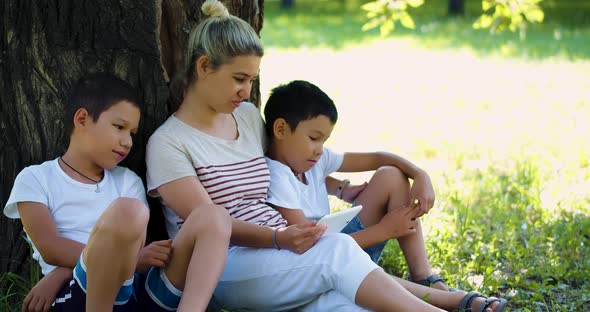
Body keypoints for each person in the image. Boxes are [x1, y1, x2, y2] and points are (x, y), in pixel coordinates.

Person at [145, 1, 508, 311]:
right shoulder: (169, 143)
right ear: (204, 67)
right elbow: (209, 224)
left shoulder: (245, 116)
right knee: (335, 252)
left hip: (284, 252)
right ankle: (446, 303)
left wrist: (335, 187)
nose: (247, 91)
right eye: (239, 79)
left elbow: (285, 162)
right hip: (225, 266)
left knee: (342, 300)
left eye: (252, 80)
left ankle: (454, 300)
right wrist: (278, 238)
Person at [3, 73, 231, 312]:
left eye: (132, 133)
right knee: (128, 210)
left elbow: (132, 250)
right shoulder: (36, 178)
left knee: (213, 215)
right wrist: (132, 260)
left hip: (133, 289)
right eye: (119, 127)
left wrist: (131, 261)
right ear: (82, 119)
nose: (128, 142)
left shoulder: (127, 181)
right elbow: (50, 248)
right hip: (80, 293)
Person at [263, 79, 450, 289]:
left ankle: (423, 276)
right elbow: (313, 248)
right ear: (280, 129)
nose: (320, 149)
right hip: (321, 263)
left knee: (391, 176)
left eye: (324, 141)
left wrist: (419, 174)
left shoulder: (314, 161)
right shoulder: (276, 177)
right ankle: (426, 291)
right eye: (314, 138)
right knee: (330, 249)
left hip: (342, 242)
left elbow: (379, 158)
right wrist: (384, 230)